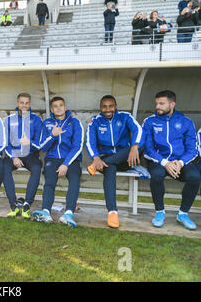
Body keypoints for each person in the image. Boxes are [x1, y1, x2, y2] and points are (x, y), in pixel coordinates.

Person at [142, 90, 200, 230]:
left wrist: (179, 163)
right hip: (158, 161)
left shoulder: (186, 122)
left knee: (195, 176)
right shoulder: (150, 121)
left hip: (180, 162)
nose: (158, 107)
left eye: (162, 104)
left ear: (172, 104)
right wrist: (165, 163)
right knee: (157, 175)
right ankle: (160, 212)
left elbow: (192, 150)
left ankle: (183, 214)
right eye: (156, 103)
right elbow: (148, 149)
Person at [86, 95, 143, 228]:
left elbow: (138, 130)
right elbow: (90, 141)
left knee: (141, 146)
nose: (107, 109)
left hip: (126, 158)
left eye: (110, 106)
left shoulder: (125, 116)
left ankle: (94, 167)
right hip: (104, 160)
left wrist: (134, 147)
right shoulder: (95, 121)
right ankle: (112, 212)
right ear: (100, 108)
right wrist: (96, 158)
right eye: (104, 106)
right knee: (110, 168)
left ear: (115, 106)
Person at [32, 97, 84, 227]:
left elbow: (77, 146)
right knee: (49, 180)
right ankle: (45, 212)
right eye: (55, 106)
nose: (59, 108)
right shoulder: (47, 123)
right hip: (52, 158)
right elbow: (42, 147)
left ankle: (68, 213)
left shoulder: (75, 122)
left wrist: (65, 164)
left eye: (61, 105)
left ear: (65, 107)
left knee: (74, 179)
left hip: (71, 159)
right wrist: (52, 135)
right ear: (51, 109)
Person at [2, 93, 43, 219]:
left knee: (37, 168)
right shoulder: (9, 120)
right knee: (4, 168)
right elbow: (5, 143)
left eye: (27, 103)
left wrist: (30, 143)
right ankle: (13, 204)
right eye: (22, 103)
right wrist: (14, 157)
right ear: (17, 104)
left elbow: (40, 143)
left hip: (30, 154)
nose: (24, 105)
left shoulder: (36, 120)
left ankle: (27, 204)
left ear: (30, 104)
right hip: (14, 155)